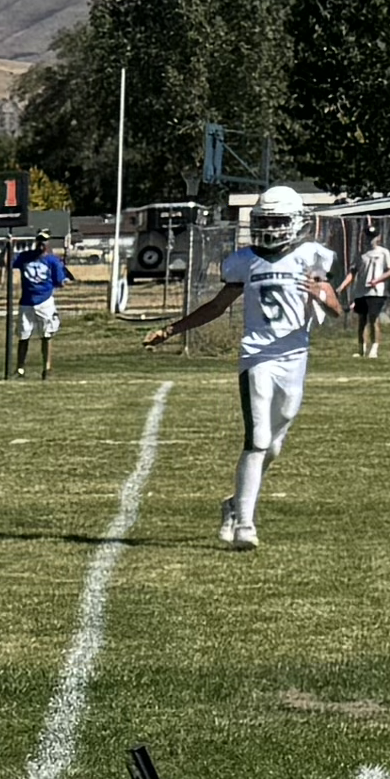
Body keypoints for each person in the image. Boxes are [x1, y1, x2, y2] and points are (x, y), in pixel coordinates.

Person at [143, 185, 340, 550]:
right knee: (258, 439)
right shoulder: (245, 260)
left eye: (277, 221)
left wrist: (322, 296)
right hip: (257, 356)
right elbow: (218, 306)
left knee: (274, 446)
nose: (270, 228)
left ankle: (234, 503)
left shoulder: (311, 256)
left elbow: (336, 309)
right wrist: (172, 329)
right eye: (264, 221)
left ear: (296, 222)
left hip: (295, 357)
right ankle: (245, 525)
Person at [11, 230, 75, 378]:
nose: (41, 245)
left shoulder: (52, 261)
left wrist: (62, 281)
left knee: (46, 335)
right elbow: (6, 263)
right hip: (26, 301)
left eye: (44, 242)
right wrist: (9, 245)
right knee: (23, 335)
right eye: (39, 241)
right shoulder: (25, 257)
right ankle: (20, 368)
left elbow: (60, 281)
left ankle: (47, 368)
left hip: (45, 301)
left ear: (48, 243)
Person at [337, 225, 390, 358]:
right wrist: (342, 286)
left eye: (373, 237)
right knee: (361, 320)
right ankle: (361, 348)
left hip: (376, 292)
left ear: (378, 237)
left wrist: (377, 280)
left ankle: (374, 348)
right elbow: (353, 272)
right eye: (368, 236)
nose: (371, 240)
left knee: (373, 319)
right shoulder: (361, 254)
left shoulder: (383, 252)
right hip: (360, 292)